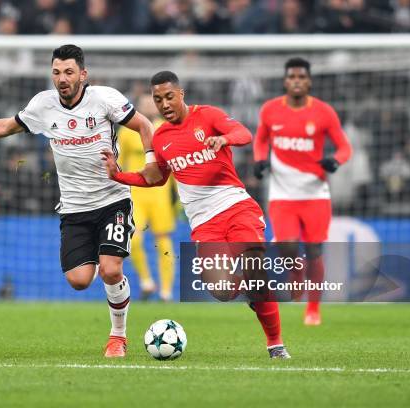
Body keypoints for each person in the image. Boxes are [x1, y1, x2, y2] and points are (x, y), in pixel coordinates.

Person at [0, 44, 161, 358]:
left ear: (83, 74)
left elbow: (144, 125)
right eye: (56, 72)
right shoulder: (43, 105)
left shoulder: (105, 99)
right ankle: (98, 257)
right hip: (74, 207)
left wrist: (150, 162)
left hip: (113, 200)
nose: (62, 78)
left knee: (111, 270)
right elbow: (6, 126)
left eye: (68, 72)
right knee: (79, 280)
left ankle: (117, 337)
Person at [102, 71, 291, 359]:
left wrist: (224, 139)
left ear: (181, 94)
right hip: (204, 222)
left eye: (168, 96)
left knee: (255, 268)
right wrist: (119, 175)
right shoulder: (161, 137)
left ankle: (275, 345)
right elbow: (156, 177)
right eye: (157, 99)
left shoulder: (208, 116)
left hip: (236, 207)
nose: (164, 104)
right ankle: (252, 291)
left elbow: (245, 134)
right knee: (222, 290)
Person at [253, 57, 352, 326]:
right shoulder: (271, 110)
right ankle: (296, 276)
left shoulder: (323, 112)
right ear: (285, 81)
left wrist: (335, 161)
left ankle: (313, 308)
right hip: (282, 194)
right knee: (286, 247)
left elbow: (344, 147)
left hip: (315, 194)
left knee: (314, 250)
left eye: (301, 77)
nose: (296, 81)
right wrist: (260, 160)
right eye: (292, 77)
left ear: (309, 81)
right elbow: (260, 140)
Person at [117, 94, 176, 301]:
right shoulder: (126, 131)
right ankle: (146, 281)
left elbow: (175, 163)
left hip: (160, 193)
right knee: (132, 239)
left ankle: (166, 291)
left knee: (163, 240)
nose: (149, 106)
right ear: (137, 107)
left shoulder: (167, 129)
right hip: (136, 194)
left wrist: (180, 194)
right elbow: (119, 164)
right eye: (144, 103)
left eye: (152, 102)